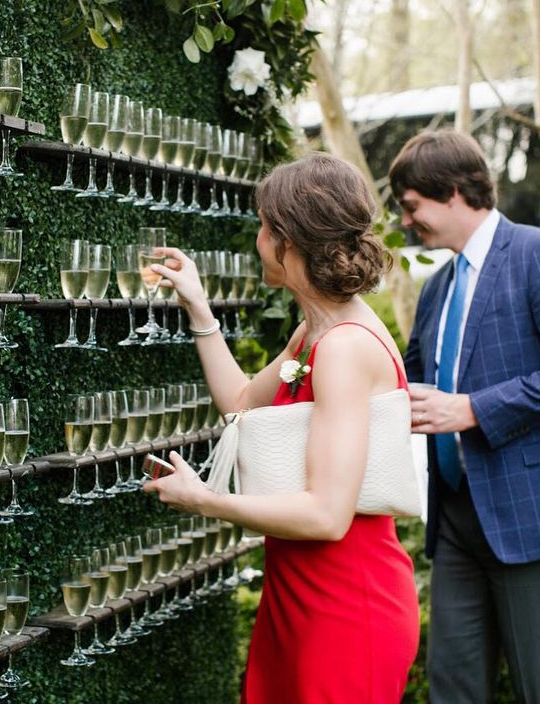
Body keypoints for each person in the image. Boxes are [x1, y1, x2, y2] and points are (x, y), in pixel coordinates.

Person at [144, 153, 419, 704]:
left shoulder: (343, 348)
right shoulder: (314, 332)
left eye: (264, 226)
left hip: (346, 605)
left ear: (289, 240)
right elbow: (241, 402)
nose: (258, 239)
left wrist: (206, 501)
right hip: (294, 592)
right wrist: (199, 309)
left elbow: (326, 514)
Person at [389, 129, 540, 704]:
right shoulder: (436, 287)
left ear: (452, 191)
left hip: (527, 522)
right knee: (451, 689)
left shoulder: (532, 254)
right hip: (453, 522)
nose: (407, 222)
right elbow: (404, 377)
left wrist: (474, 409)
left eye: (411, 207)